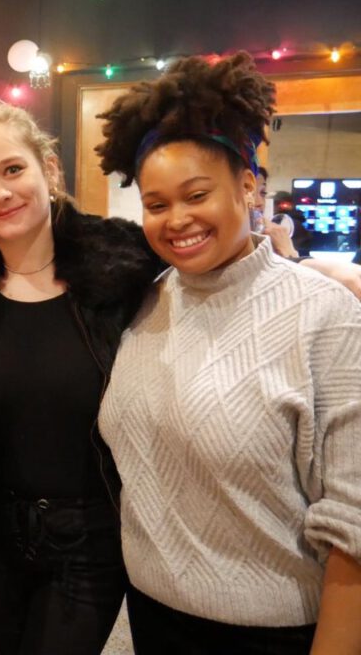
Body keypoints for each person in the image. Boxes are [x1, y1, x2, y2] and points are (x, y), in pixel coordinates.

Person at [95, 52, 361, 654]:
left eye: (197, 194)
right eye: (157, 205)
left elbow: (353, 521)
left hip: (274, 635)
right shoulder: (142, 302)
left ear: (248, 185)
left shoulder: (326, 314)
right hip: (151, 617)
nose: (177, 220)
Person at [0, 103, 160, 655]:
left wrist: (324, 271)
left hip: (92, 535)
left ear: (48, 168)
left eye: (12, 170)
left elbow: (213, 263)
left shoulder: (120, 262)